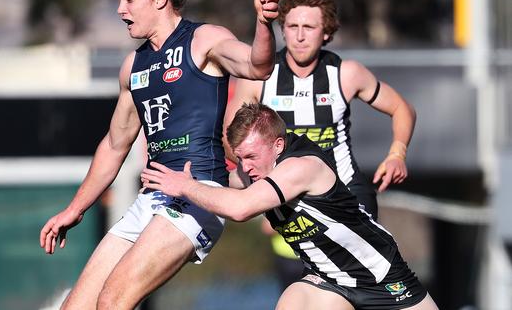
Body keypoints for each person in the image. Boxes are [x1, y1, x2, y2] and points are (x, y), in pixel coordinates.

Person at [39, 0, 282, 309]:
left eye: (128, 0)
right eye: (118, 0)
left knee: (113, 301)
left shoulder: (204, 40)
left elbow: (257, 65)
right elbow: (114, 144)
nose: (121, 10)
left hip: (197, 193)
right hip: (151, 199)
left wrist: (263, 24)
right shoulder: (134, 66)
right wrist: (76, 209)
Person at [142, 103, 437, 310]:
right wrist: (186, 175)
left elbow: (240, 209)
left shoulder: (302, 168)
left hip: (382, 277)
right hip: (329, 279)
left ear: (278, 146)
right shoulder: (260, 167)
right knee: (291, 303)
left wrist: (183, 186)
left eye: (251, 157)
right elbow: (225, 180)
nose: (246, 167)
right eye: (240, 158)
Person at [223, 0, 417, 284]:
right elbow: (229, 140)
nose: (300, 36)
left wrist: (397, 153)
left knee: (351, 285)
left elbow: (402, 108)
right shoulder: (260, 79)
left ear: (326, 32)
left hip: (348, 197)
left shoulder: (346, 73)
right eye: (293, 26)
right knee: (306, 290)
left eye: (309, 27)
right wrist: (257, 190)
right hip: (288, 203)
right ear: (282, 30)